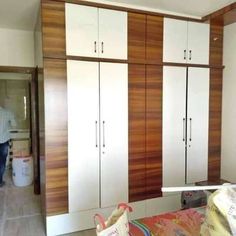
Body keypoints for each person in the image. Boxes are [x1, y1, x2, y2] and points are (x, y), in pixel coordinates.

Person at [0, 105, 16, 187]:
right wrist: (7, 126)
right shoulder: (7, 113)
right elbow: (14, 125)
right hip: (3, 141)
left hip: (4, 141)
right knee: (2, 162)